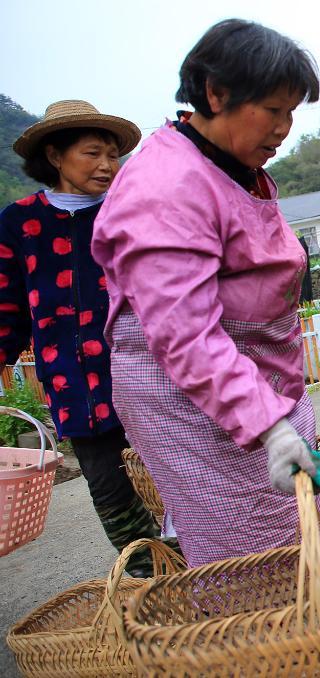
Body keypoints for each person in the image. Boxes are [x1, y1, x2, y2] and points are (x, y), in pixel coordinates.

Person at [92, 19, 320, 567]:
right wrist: (268, 427)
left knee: (296, 534)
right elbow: (186, 334)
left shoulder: (234, 165)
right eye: (273, 111)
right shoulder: (167, 186)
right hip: (190, 397)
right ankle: (256, 649)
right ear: (216, 94)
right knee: (244, 552)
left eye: (292, 113)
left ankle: (305, 638)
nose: (285, 128)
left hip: (256, 383)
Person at [0, 100, 160, 575]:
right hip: (73, 387)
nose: (107, 165)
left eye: (113, 154)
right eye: (93, 153)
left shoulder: (130, 211)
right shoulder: (18, 223)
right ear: (55, 155)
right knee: (111, 495)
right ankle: (153, 581)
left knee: (173, 481)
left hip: (146, 375)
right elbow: (7, 306)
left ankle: (202, 574)